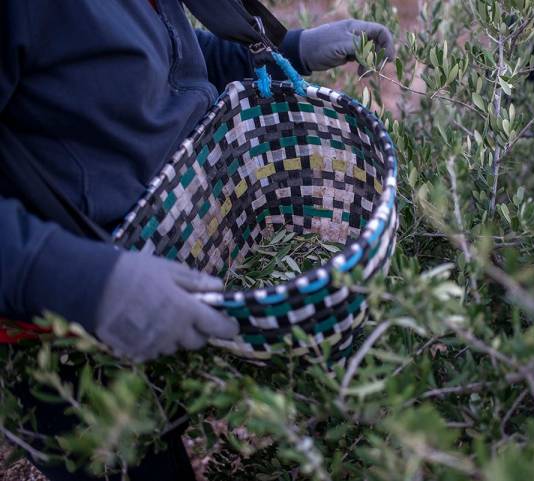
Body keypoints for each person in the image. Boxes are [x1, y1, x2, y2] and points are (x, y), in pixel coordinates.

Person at [0, 1, 394, 479]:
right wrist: (90, 283)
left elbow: (161, 61)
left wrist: (287, 48)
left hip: (180, 242)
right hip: (70, 328)